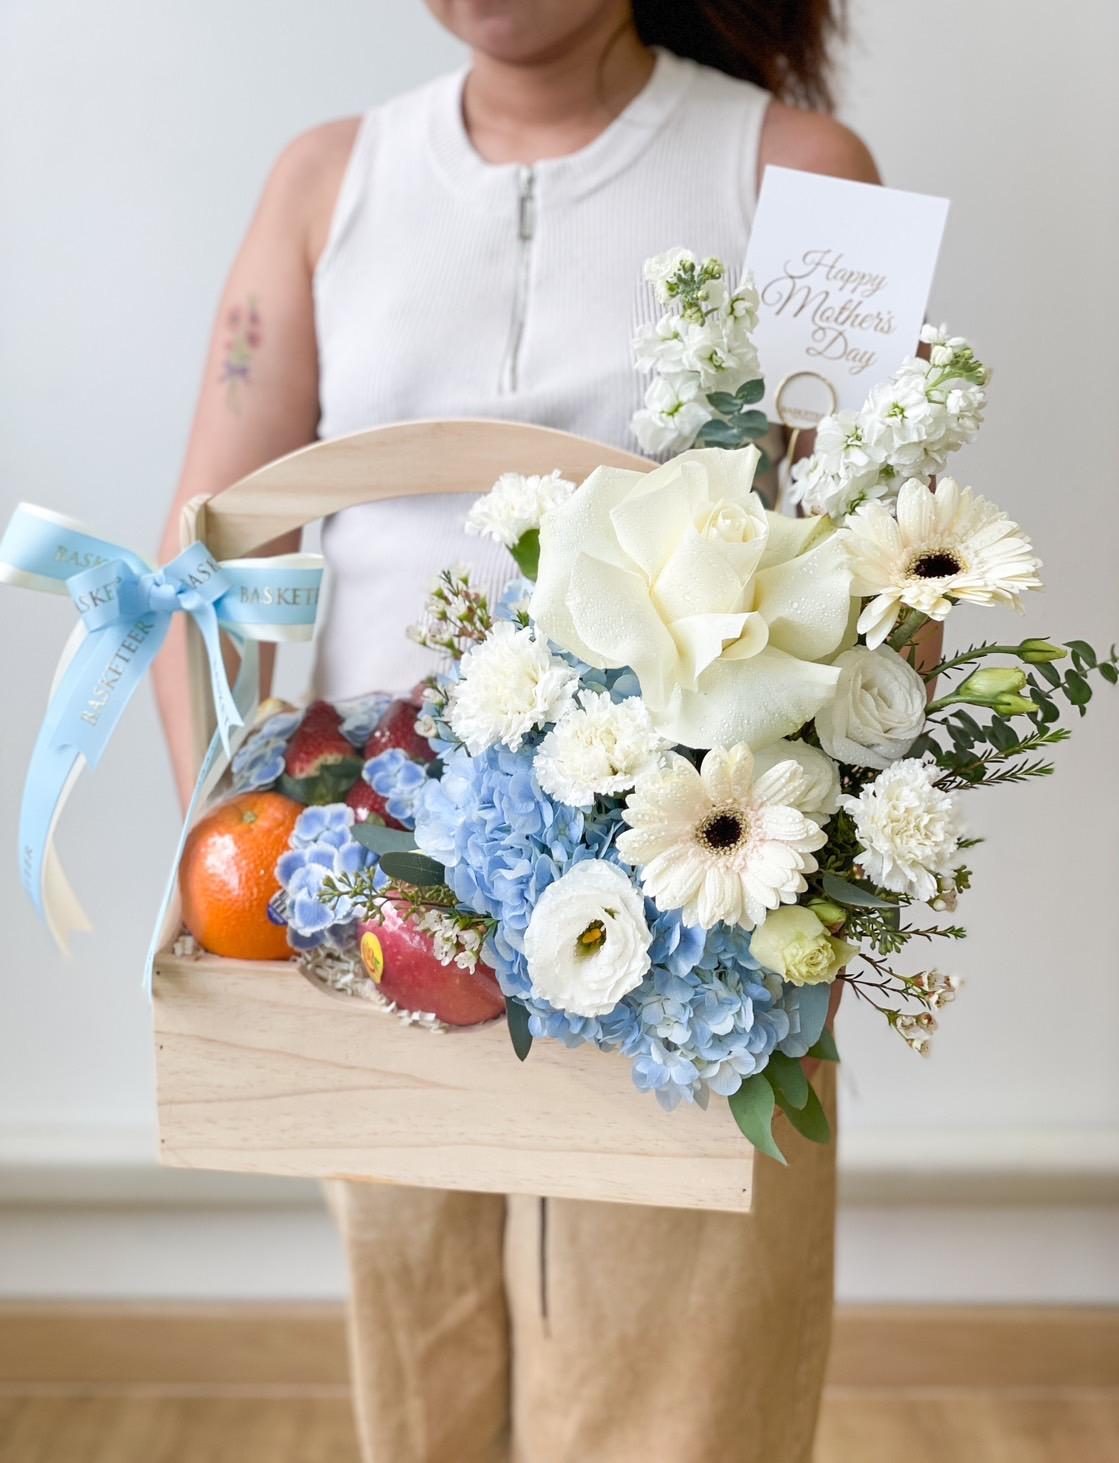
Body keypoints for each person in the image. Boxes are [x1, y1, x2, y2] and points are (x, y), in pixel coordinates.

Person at [155, 3, 877, 1458]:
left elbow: (877, 590)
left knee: (685, 1398)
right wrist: (228, 860)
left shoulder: (804, 176)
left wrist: (810, 895)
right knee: (422, 1388)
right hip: (369, 914)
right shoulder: (327, 180)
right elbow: (195, 568)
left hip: (687, 927)